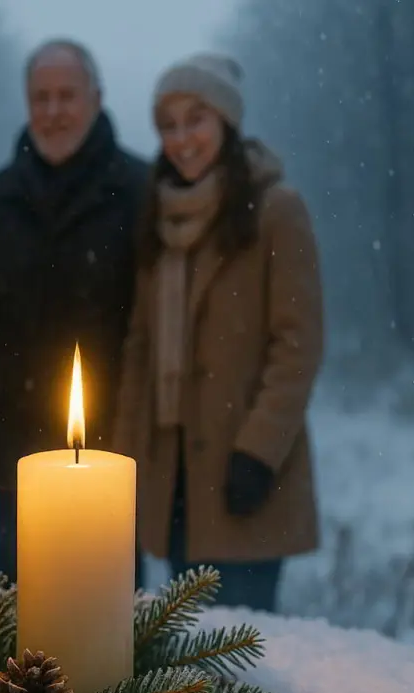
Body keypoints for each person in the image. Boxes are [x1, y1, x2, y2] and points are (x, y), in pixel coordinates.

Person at [113, 54, 325, 613]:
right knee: (190, 655)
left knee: (246, 661)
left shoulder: (277, 209)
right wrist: (120, 461)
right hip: (173, 480)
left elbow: (297, 345)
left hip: (243, 475)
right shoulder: (159, 216)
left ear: (227, 122)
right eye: (168, 125)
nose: (182, 139)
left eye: (195, 120)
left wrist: (258, 451)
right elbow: (140, 351)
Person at [0, 40, 148, 586]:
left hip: (112, 443)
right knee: (22, 605)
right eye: (41, 97)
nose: (54, 111)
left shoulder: (138, 190)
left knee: (108, 608)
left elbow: (155, 322)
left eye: (66, 96)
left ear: (97, 99)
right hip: (16, 438)